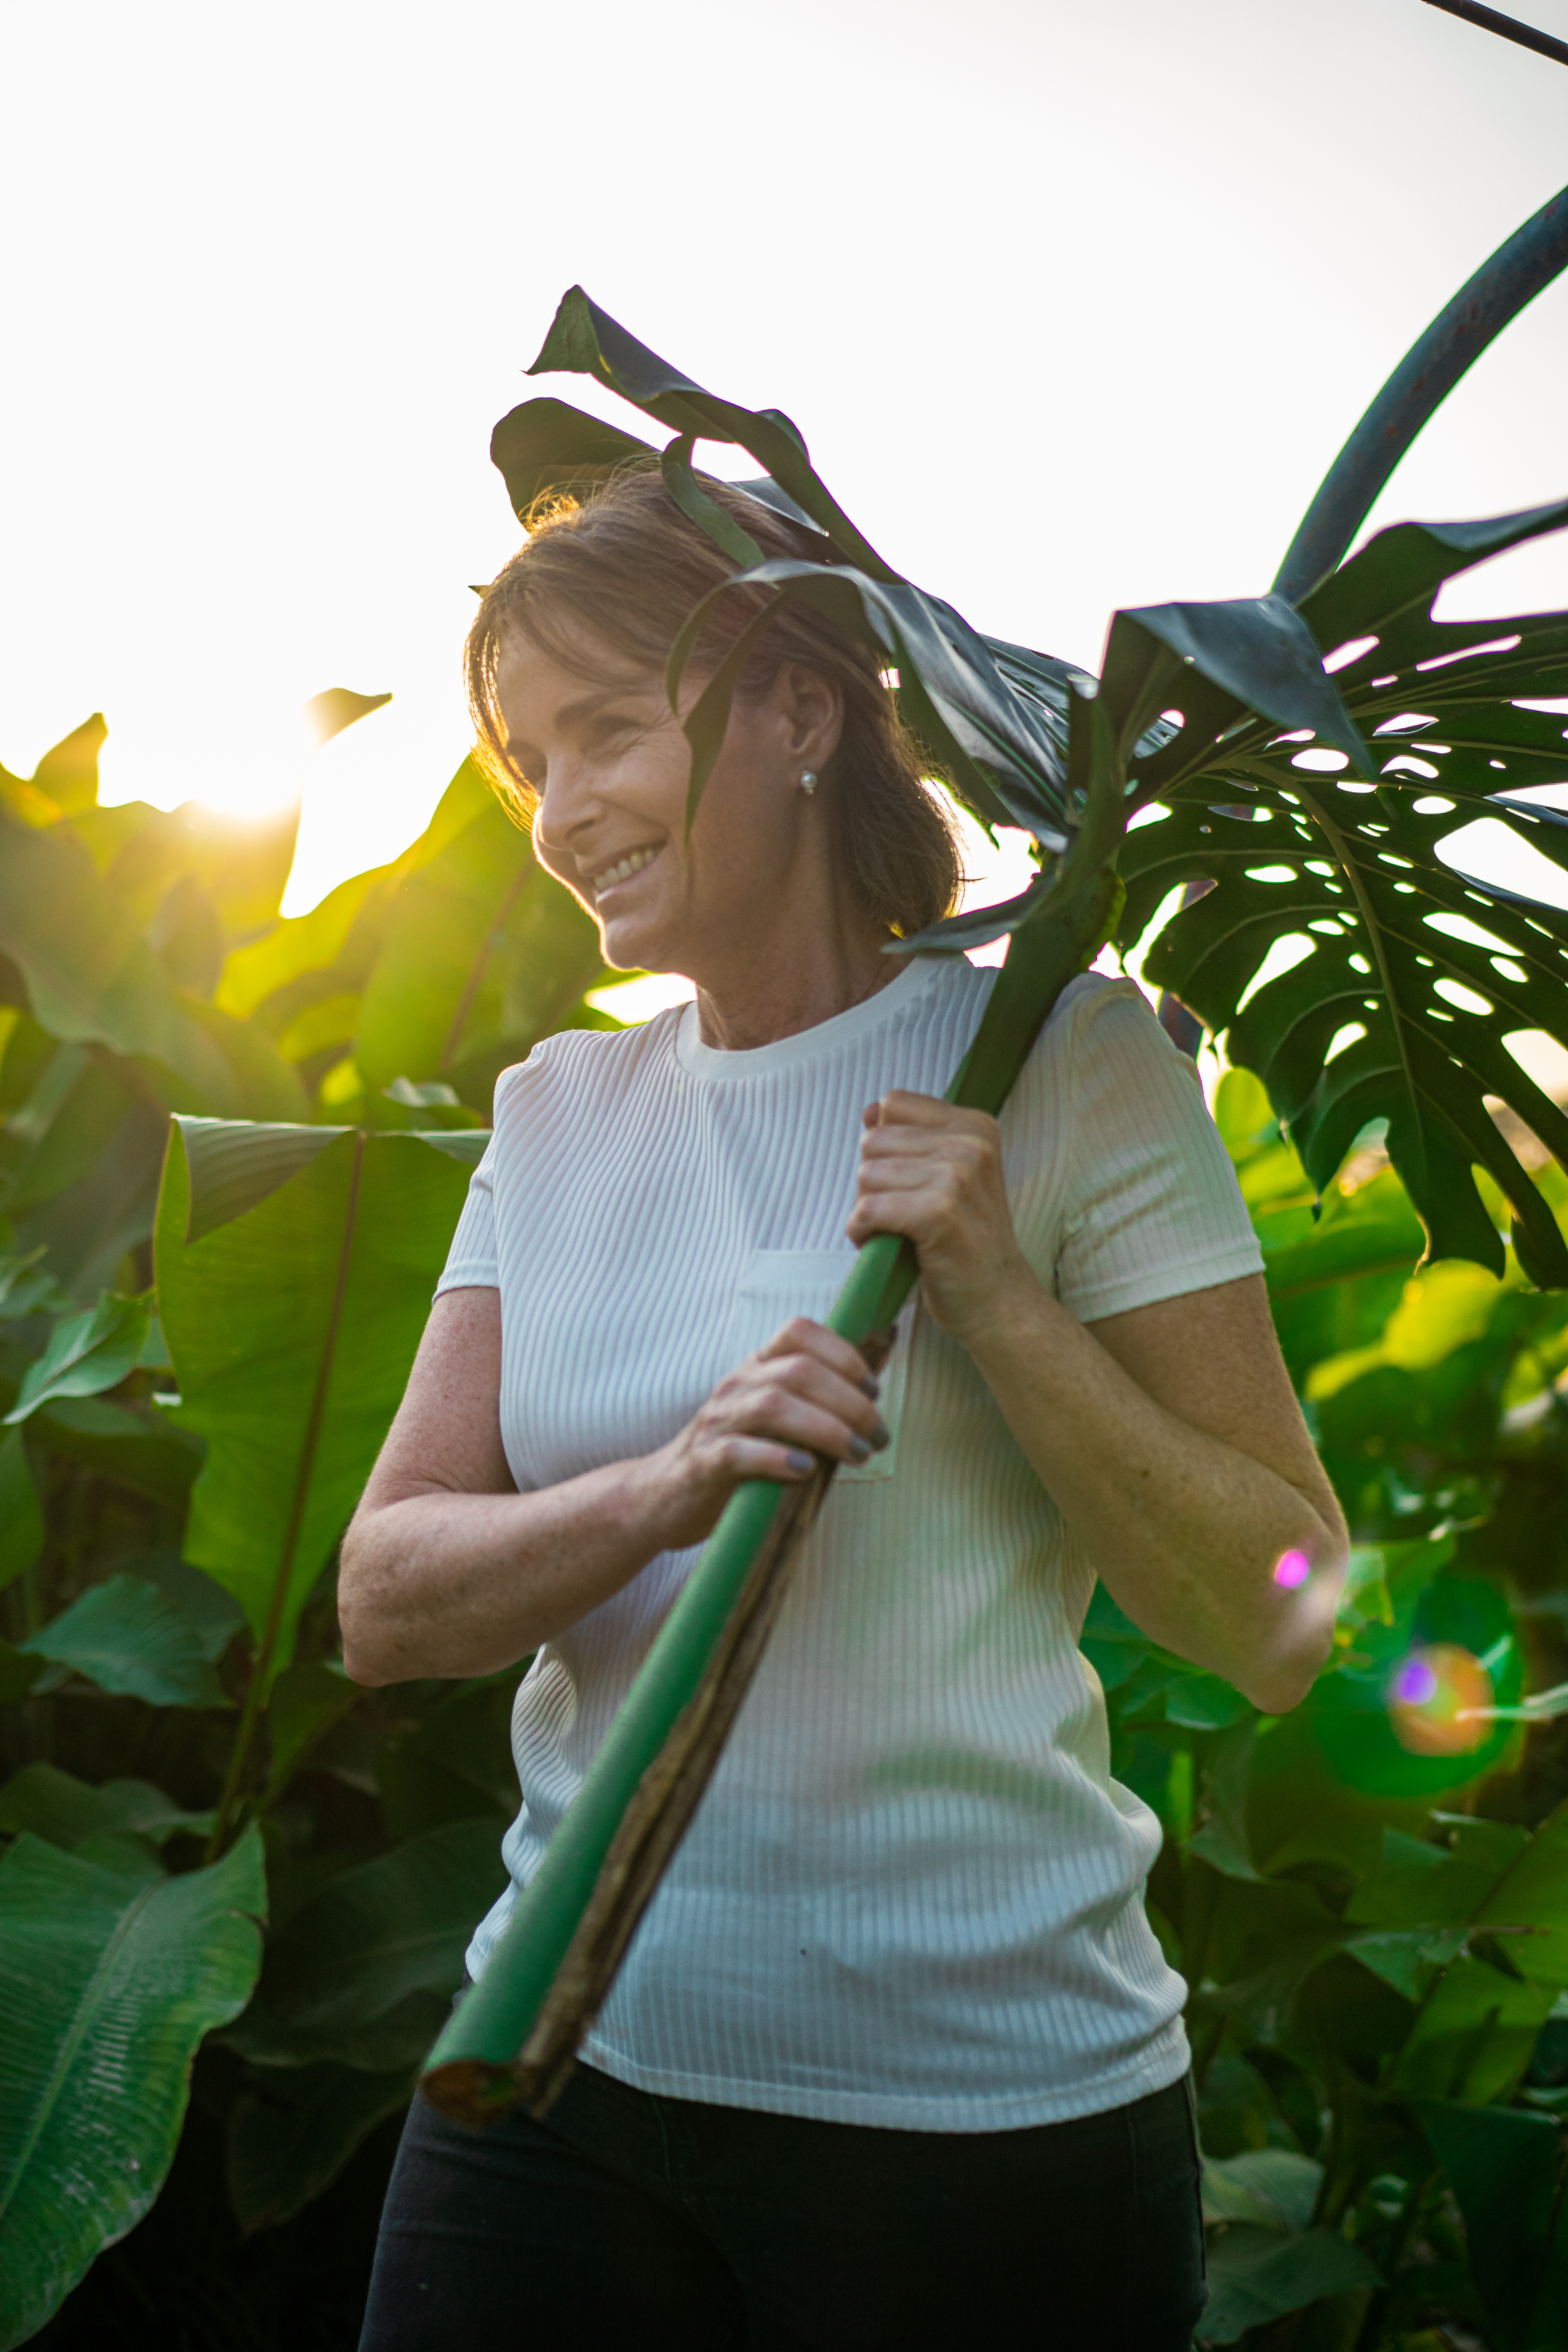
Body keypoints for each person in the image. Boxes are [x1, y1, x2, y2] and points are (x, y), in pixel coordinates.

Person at [340, 468, 1347, 2352]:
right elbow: (387, 1598)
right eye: (529, 763)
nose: (562, 816)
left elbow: (1278, 1619)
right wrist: (665, 1486)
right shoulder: (556, 1113)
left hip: (975, 2137)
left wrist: (992, 1290)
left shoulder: (1064, 1061)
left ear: (802, 711)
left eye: (609, 733)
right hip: (550, 2071)